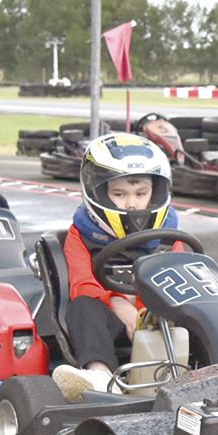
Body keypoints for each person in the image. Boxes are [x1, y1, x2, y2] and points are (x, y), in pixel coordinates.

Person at [49, 132, 178, 401]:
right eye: (119, 194)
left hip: (164, 323)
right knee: (82, 306)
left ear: (155, 192)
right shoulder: (81, 235)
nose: (132, 203)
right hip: (112, 329)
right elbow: (82, 286)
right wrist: (122, 307)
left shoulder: (169, 235)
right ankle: (100, 375)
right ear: (99, 192)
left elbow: (179, 279)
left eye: (141, 193)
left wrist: (146, 313)